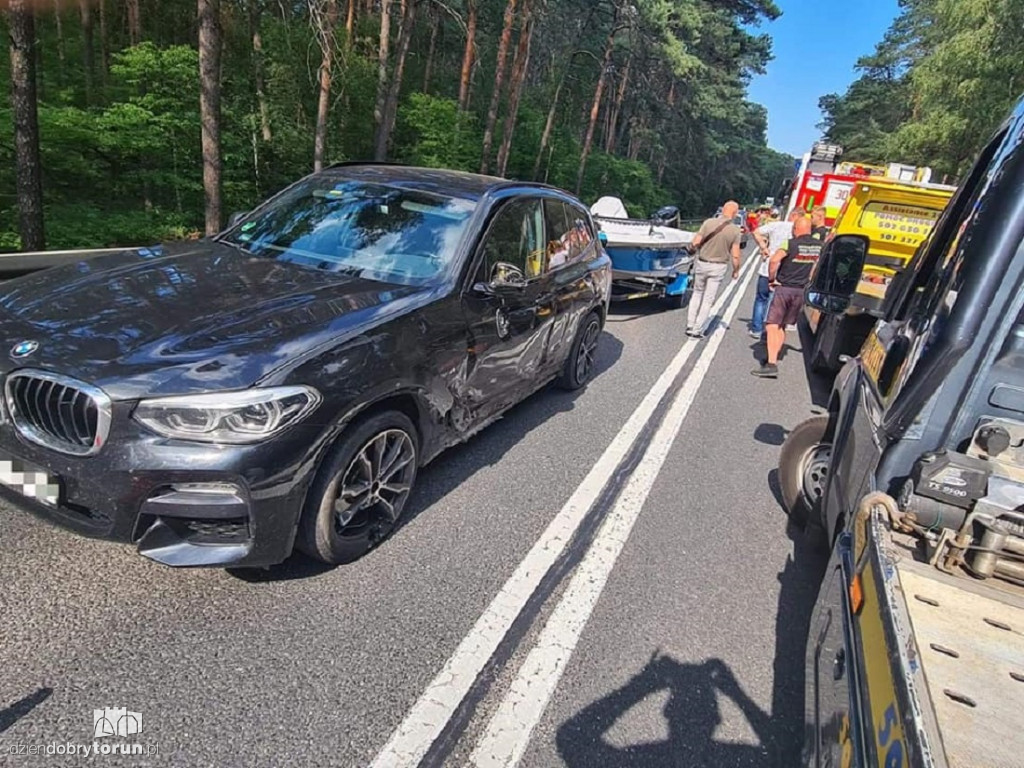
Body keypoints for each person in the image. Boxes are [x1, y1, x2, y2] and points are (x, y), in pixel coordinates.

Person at [752, 217, 823, 378]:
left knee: (771, 325)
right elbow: (817, 267)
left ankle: (771, 364)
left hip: (785, 288)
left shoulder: (790, 243)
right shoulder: (820, 246)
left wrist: (771, 278)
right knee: (783, 325)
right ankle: (774, 355)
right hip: (801, 291)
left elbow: (774, 260)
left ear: (796, 229)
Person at [686, 201, 742, 338]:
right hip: (718, 266)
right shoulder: (735, 230)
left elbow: (696, 242)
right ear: (735, 214)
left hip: (702, 263)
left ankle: (690, 324)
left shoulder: (708, 223)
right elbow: (735, 255)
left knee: (697, 293)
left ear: (723, 210)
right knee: (708, 299)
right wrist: (736, 270)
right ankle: (697, 329)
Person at [749, 209, 804, 339]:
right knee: (774, 303)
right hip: (784, 272)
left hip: (766, 268)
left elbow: (756, 232)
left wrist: (763, 247)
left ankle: (756, 328)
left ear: (792, 215)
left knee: (761, 299)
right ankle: (769, 331)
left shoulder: (777, 225)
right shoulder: (797, 234)